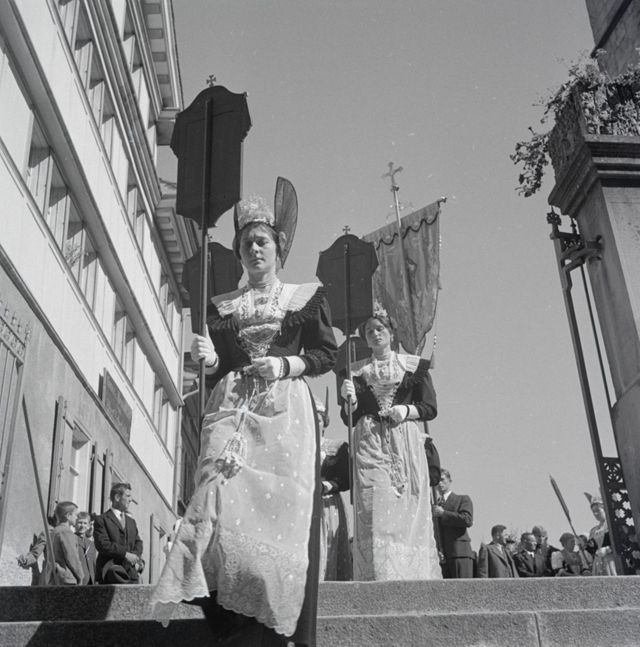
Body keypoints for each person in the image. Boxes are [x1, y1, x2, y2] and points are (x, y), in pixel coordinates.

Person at [151, 182, 338, 647]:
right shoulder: (223, 307)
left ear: (278, 248)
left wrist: (285, 365)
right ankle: (227, 612)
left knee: (278, 517)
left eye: (262, 242)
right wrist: (212, 360)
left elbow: (325, 354)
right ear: (238, 253)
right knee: (214, 494)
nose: (254, 249)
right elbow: (223, 368)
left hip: (284, 415)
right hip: (233, 410)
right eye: (247, 244)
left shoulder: (304, 297)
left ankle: (267, 620)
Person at [339, 308, 441, 581]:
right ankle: (378, 573)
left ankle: (410, 573)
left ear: (391, 333)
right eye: (369, 331)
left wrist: (406, 410)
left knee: (406, 504)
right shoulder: (356, 371)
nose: (374, 334)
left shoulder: (414, 366)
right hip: (370, 440)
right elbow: (348, 419)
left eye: (379, 329)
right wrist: (350, 402)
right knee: (374, 503)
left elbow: (430, 407)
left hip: (404, 442)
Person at [316, 395, 351, 582]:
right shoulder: (297, 447)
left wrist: (327, 486)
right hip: (305, 504)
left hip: (328, 505)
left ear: (324, 422)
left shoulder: (337, 447)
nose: (315, 423)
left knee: (328, 547)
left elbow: (346, 479)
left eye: (318, 419)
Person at [93, 482, 144, 584]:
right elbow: (103, 545)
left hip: (131, 575)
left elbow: (138, 542)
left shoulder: (131, 522)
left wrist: (135, 557)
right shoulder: (102, 520)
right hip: (110, 575)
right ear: (117, 497)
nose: (130, 499)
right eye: (127, 496)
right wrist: (125, 554)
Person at [431, 468, 474, 578]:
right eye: (437, 481)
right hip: (442, 556)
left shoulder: (462, 499)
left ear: (450, 481)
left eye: (442, 480)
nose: (439, 484)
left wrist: (444, 513)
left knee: (462, 587)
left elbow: (467, 520)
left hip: (460, 553)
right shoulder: (434, 505)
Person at [51, 501, 84, 585]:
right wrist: (80, 575)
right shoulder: (66, 532)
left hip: (53, 577)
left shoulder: (54, 531)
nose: (77, 518)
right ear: (68, 516)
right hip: (66, 578)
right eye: (75, 515)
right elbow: (72, 557)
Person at [585, 493, 617, 576]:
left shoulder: (613, 525)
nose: (595, 514)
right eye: (593, 512)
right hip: (598, 563)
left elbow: (622, 543)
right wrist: (583, 545)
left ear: (605, 509)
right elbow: (591, 550)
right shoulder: (593, 530)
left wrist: (607, 549)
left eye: (598, 510)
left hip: (611, 560)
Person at [75, 511, 96, 584]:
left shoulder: (91, 544)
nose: (82, 526)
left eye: (85, 523)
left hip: (90, 581)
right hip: (78, 580)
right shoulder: (71, 539)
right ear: (75, 524)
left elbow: (93, 563)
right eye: (80, 523)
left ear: (88, 526)